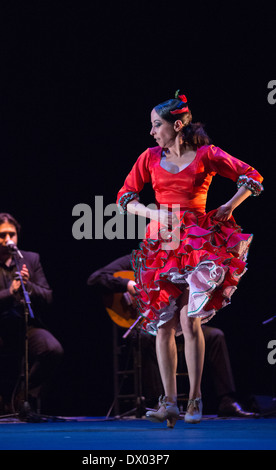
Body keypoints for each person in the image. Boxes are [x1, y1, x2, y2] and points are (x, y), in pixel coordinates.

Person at [116, 90, 263, 426]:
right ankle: (169, 401)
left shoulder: (206, 155)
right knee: (164, 324)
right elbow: (125, 197)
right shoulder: (149, 158)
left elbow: (252, 176)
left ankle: (195, 400)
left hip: (197, 240)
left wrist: (229, 206)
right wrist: (151, 213)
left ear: (177, 125)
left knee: (189, 318)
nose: (152, 132)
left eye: (157, 125)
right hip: (163, 243)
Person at [88, 253, 258, 418]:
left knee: (215, 335)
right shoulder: (136, 259)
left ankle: (226, 401)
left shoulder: (181, 260)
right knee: (146, 337)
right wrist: (128, 284)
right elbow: (95, 278)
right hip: (153, 326)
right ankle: (158, 401)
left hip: (182, 324)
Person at [0, 213, 64, 419]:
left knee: (53, 349)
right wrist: (9, 293)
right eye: (2, 235)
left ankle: (23, 397)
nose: (8, 239)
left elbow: (48, 297)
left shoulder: (31, 259)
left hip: (25, 325)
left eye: (12, 234)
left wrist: (29, 286)